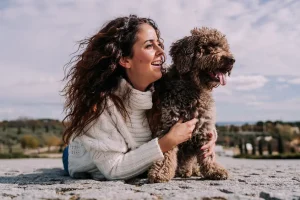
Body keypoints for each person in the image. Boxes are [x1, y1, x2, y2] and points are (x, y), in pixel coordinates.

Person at [62, 15, 217, 180]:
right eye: (149, 45)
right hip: (87, 158)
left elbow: (195, 110)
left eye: (159, 44)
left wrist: (209, 136)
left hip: (135, 156)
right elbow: (113, 169)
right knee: (72, 152)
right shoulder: (100, 104)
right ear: (125, 60)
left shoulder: (165, 86)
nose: (161, 52)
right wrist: (167, 142)